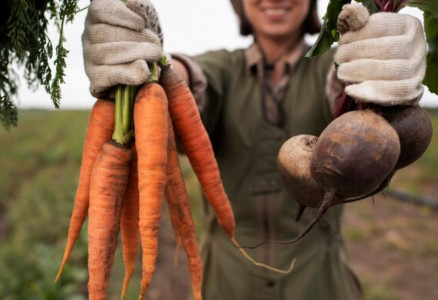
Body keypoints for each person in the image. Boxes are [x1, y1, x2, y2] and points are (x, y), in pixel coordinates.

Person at [82, 0, 426, 299]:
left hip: (320, 284)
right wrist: (151, 66)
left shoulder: (331, 64)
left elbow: (342, 84)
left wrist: (372, 70)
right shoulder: (222, 68)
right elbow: (193, 81)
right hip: (225, 285)